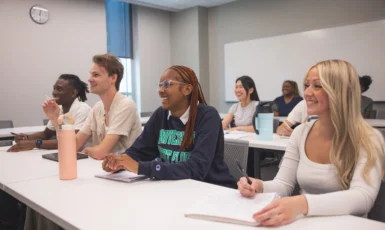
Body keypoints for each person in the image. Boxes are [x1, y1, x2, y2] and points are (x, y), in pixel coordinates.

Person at [238, 60, 385, 227]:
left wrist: (303, 204)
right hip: (303, 223)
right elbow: (284, 184)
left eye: (317, 86)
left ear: (340, 91)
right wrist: (260, 185)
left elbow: (362, 197)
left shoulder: (369, 138)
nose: (307, 93)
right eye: (307, 85)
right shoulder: (301, 133)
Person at [102, 65, 236, 189]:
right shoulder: (161, 114)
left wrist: (142, 168)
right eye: (159, 85)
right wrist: (119, 162)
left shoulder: (208, 116)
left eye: (167, 85)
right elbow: (140, 151)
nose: (160, 90)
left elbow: (197, 168)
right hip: (175, 188)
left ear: (187, 89)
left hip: (211, 188)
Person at [42, 54, 142, 160]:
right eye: (90, 74)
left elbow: (101, 153)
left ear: (113, 78)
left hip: (127, 173)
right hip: (104, 170)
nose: (89, 79)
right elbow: (72, 146)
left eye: (96, 75)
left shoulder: (126, 105)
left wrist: (87, 150)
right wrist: (55, 117)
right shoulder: (97, 109)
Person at [7, 74, 91, 152]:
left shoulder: (82, 109)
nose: (54, 92)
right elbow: (46, 134)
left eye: (59, 89)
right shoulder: (58, 108)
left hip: (82, 157)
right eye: (54, 88)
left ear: (73, 93)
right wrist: (26, 138)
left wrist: (35, 143)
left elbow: (71, 141)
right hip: (66, 154)